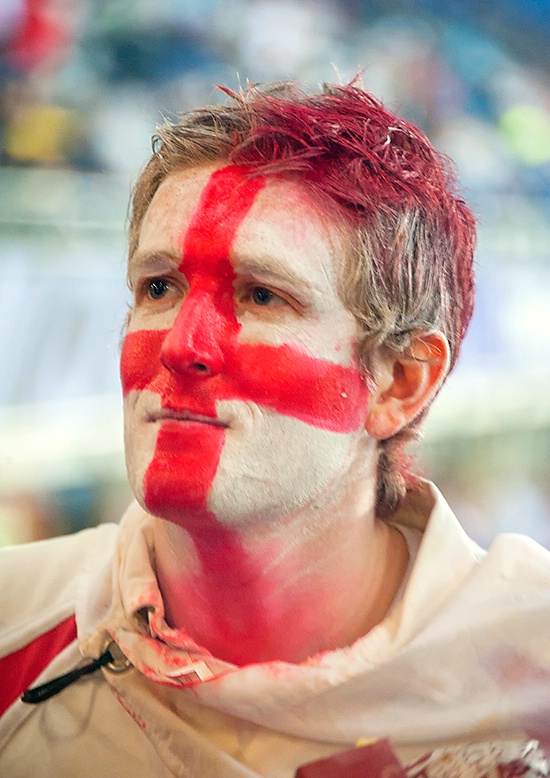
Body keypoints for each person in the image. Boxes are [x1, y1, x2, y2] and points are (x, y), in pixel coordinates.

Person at [1, 81, 549, 777]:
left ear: (402, 382)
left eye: (262, 295)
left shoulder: (532, 669)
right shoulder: (15, 624)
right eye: (159, 287)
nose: (180, 344)